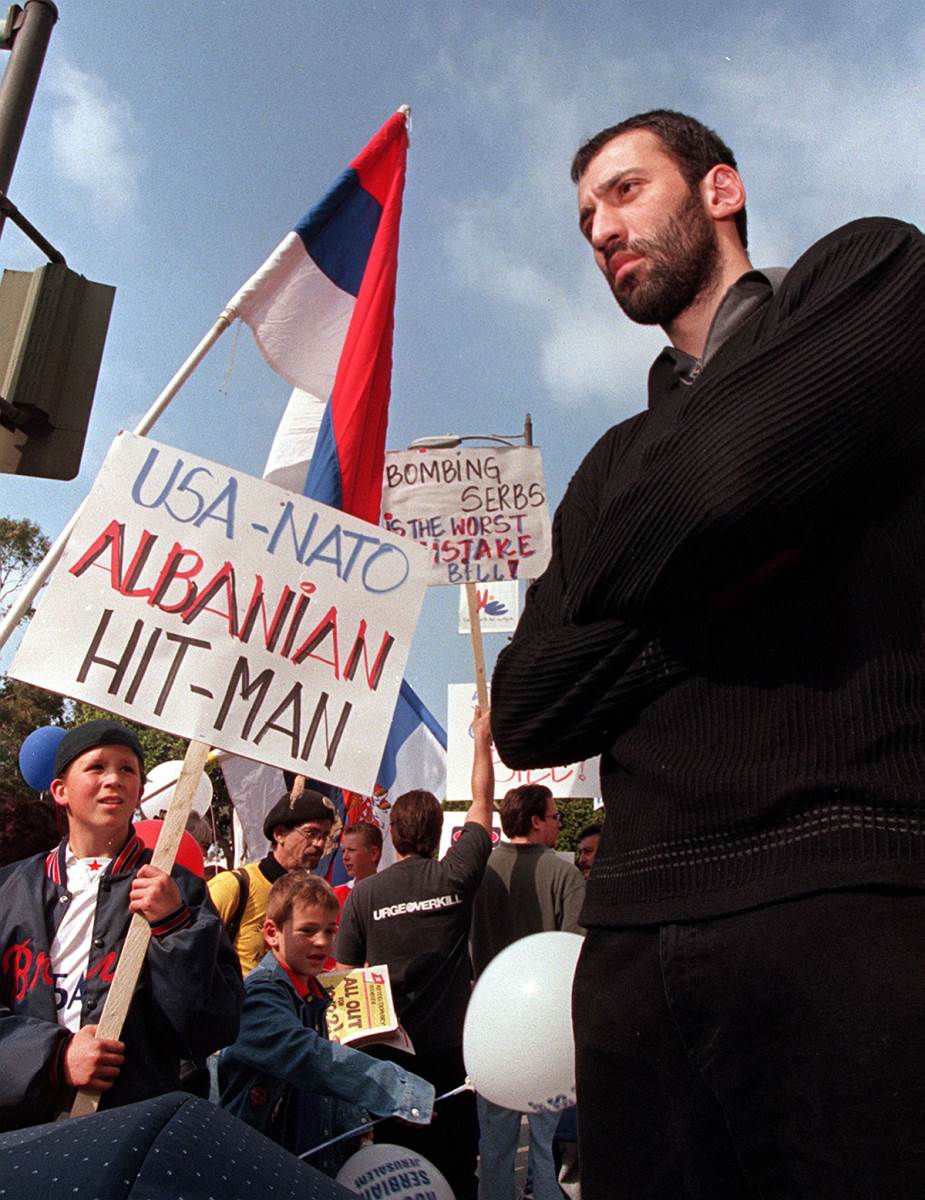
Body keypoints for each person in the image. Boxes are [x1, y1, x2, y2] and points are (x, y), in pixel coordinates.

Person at [489, 108, 925, 1199]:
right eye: (585, 215)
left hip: (843, 895)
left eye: (625, 191)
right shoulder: (608, 460)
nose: (599, 228)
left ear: (719, 190)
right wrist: (744, 550)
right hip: (632, 950)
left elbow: (722, 483)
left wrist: (648, 565)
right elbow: (533, 704)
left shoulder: (866, 273)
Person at [0, 719, 243, 1129]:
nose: (113, 779)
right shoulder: (10, 890)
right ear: (60, 790)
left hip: (135, 1128)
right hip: (22, 1134)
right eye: (96, 767)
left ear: (141, 791)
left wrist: (175, 927)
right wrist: (54, 1058)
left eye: (127, 769)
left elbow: (213, 1027)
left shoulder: (179, 890)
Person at [335, 706, 496, 1200]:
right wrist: (482, 741)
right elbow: (482, 802)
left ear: (395, 835)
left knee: (399, 1171)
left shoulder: (364, 894)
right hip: (452, 1056)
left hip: (391, 1055)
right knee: (456, 1166)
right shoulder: (456, 875)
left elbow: (343, 975)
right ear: (436, 833)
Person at [218, 870, 433, 1170]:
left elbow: (322, 1084)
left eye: (330, 931)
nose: (321, 942)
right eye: (307, 931)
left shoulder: (311, 993)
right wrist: (399, 1091)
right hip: (258, 1167)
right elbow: (311, 1058)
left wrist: (354, 1122)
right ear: (271, 933)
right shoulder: (260, 995)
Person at [470, 784, 585, 1200]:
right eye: (555, 817)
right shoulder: (566, 875)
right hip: (547, 1031)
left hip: (491, 1026)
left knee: (496, 1145)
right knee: (542, 1145)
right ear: (536, 821)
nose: (558, 825)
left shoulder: (479, 873)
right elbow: (576, 953)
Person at [208, 788, 336, 974]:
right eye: (311, 833)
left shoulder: (314, 894)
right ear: (279, 834)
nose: (320, 844)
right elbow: (193, 950)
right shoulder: (234, 886)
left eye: (324, 836)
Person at [334, 820, 382, 906]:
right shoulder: (336, 896)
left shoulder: (389, 892)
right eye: (343, 851)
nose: (345, 857)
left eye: (351, 850)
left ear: (373, 853)